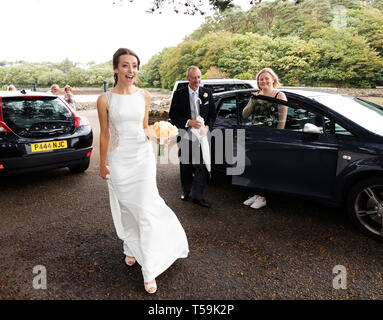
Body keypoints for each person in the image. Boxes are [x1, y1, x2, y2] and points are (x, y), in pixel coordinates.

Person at [97, 48, 189, 294]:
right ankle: (129, 247)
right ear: (116, 68)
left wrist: (159, 136)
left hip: (142, 158)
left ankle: (149, 267)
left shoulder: (144, 96)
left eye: (135, 66)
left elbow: (144, 127)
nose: (131, 70)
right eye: (125, 65)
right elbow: (105, 134)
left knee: (146, 209)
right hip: (119, 160)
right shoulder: (105, 99)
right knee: (127, 208)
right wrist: (101, 163)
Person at [169, 66, 216, 208]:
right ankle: (185, 190)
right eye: (194, 77)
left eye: (199, 77)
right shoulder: (179, 94)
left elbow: (213, 115)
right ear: (188, 78)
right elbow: (173, 115)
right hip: (186, 135)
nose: (197, 80)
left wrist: (207, 127)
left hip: (202, 137)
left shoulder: (207, 93)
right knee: (186, 165)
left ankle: (198, 196)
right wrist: (188, 122)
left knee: (202, 166)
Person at [242, 67, 288, 209]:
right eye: (261, 79)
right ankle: (256, 194)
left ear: (273, 79)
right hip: (255, 135)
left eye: (267, 78)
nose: (264, 81)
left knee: (266, 167)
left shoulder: (279, 95)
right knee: (255, 165)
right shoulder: (256, 95)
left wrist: (277, 138)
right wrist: (253, 100)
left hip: (270, 136)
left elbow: (282, 120)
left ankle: (263, 197)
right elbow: (244, 115)